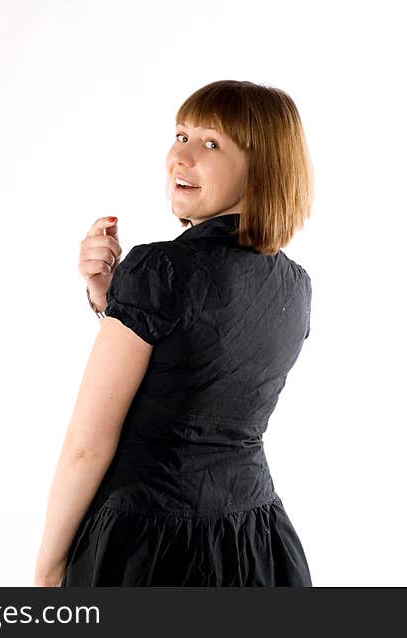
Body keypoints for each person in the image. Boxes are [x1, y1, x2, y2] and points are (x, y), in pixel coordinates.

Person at [34, 80, 314, 586]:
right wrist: (111, 300)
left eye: (211, 144)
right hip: (254, 543)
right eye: (181, 135)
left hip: (148, 545)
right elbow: (194, 366)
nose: (180, 157)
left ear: (263, 167)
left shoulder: (158, 268)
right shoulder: (295, 286)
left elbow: (87, 446)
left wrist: (49, 569)